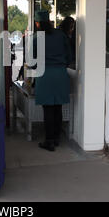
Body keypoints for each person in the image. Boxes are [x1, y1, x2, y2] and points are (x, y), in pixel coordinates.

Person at [34, 10, 72, 152]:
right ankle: (56, 139)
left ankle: (49, 141)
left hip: (44, 76)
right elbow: (69, 57)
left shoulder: (37, 38)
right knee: (57, 107)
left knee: (48, 109)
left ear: (38, 23)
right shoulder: (61, 35)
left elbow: (31, 62)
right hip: (61, 75)